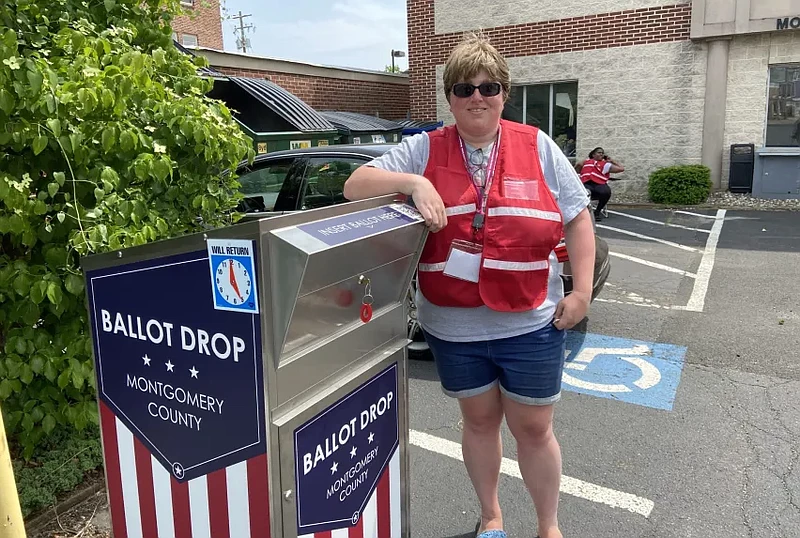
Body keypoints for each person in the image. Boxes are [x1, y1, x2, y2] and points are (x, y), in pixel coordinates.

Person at [343, 33, 595, 538]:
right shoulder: (422, 149)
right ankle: (491, 516)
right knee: (479, 423)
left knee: (534, 429)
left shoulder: (538, 146)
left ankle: (549, 526)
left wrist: (581, 291)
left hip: (532, 320)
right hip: (454, 325)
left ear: (505, 92)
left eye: (488, 86)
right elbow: (354, 185)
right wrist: (414, 182)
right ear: (449, 97)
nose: (476, 97)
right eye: (463, 88)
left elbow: (578, 217)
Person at [575, 147, 624, 221]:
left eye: (602, 153)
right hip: (587, 183)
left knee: (606, 192)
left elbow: (621, 169)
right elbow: (577, 166)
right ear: (593, 154)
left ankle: (597, 212)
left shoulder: (605, 164)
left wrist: (612, 161)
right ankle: (583, 213)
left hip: (599, 183)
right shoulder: (586, 162)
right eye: (599, 152)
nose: (601, 154)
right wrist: (587, 159)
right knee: (584, 192)